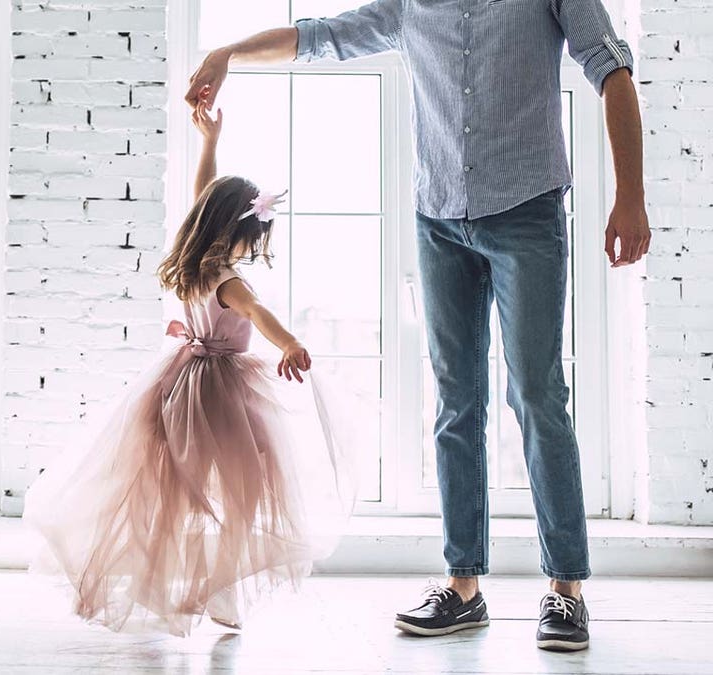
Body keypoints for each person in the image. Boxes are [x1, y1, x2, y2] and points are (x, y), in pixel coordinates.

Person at [186, 0, 650, 653]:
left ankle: (565, 590)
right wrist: (229, 53)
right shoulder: (411, 6)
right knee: (455, 403)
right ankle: (463, 588)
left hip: (529, 215)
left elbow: (613, 72)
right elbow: (320, 38)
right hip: (439, 221)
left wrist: (629, 194)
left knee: (539, 395)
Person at [23, 98, 355, 637]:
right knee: (247, 483)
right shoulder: (229, 279)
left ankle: (176, 578)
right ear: (238, 231)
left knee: (176, 488)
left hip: (179, 381)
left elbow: (204, 199)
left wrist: (209, 144)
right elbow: (257, 312)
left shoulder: (195, 264)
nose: (256, 245)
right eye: (255, 235)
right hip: (219, 390)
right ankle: (221, 585)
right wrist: (289, 342)